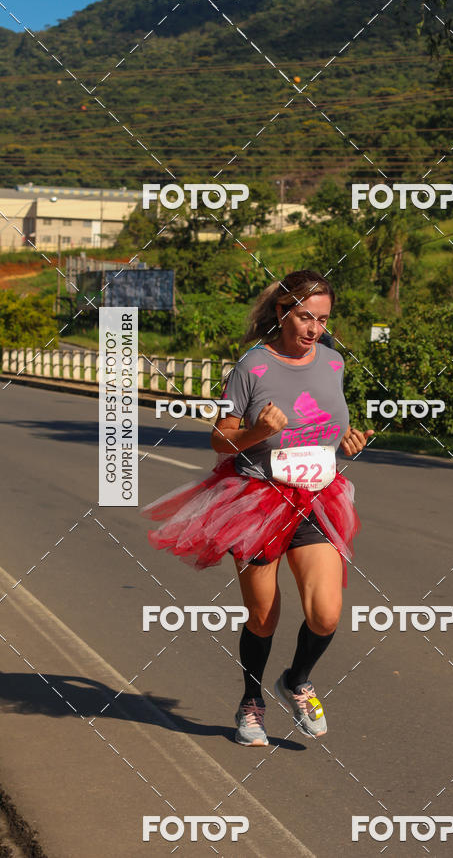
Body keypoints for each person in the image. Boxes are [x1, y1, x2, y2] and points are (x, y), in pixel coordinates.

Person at [140, 269, 374, 747]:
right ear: (281, 311)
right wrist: (257, 433)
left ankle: (296, 679)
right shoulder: (252, 366)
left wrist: (349, 442)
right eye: (306, 316)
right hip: (257, 499)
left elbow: (328, 429)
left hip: (316, 497)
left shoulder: (332, 363)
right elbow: (219, 439)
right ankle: (252, 702)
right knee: (263, 614)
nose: (314, 328)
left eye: (323, 319)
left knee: (326, 614)